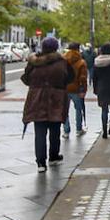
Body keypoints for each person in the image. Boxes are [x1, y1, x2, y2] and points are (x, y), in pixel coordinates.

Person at [21, 37, 74, 173]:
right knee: (55, 130)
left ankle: (40, 162)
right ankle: (53, 156)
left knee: (40, 132)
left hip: (37, 100)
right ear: (56, 47)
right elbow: (70, 77)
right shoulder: (61, 62)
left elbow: (26, 79)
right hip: (55, 100)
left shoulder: (34, 62)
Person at [62, 42, 88, 137]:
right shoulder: (81, 62)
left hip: (64, 89)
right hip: (76, 89)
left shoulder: (63, 60)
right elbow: (83, 78)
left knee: (65, 110)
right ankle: (79, 129)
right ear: (78, 49)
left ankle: (66, 131)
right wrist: (83, 90)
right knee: (78, 109)